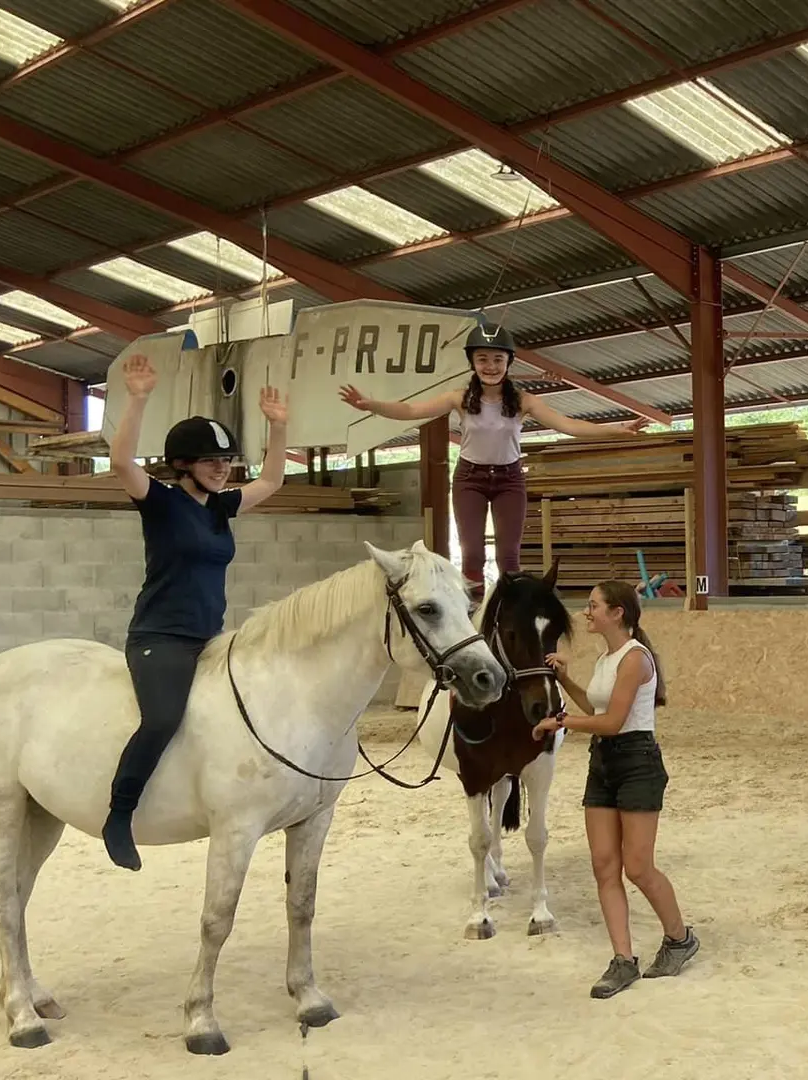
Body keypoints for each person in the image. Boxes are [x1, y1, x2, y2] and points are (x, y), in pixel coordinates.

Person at [105, 353, 289, 870]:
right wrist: (138, 397)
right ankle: (119, 814)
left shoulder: (221, 508)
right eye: (211, 460)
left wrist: (279, 430)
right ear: (184, 463)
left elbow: (272, 481)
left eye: (226, 460)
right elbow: (122, 463)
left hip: (211, 636)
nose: (222, 466)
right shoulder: (160, 502)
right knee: (163, 718)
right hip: (159, 637)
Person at [339, 321, 649, 592]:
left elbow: (569, 425)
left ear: (508, 362)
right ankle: (472, 609)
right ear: (473, 362)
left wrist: (617, 428)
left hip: (509, 480)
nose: (490, 366)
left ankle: (508, 608)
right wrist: (372, 405)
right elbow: (410, 410)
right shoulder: (459, 398)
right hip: (469, 479)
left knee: (508, 555)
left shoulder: (524, 401)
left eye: (498, 359)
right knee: (471, 552)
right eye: (483, 359)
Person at [535, 579, 696, 998]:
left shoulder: (634, 660)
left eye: (593, 606)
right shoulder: (608, 658)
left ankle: (679, 938)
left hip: (637, 761)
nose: (587, 612)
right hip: (604, 762)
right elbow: (596, 707)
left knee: (638, 867)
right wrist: (567, 683)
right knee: (604, 865)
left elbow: (613, 722)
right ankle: (623, 960)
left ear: (616, 612)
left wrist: (562, 722)